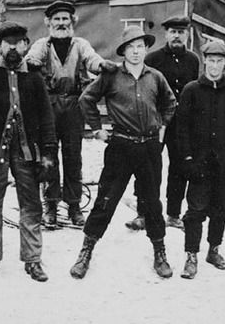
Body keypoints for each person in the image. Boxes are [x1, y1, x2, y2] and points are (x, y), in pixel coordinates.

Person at [70, 26, 177, 279]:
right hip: (121, 146)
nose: (136, 51)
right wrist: (97, 129)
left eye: (140, 46)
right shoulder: (111, 76)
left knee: (152, 202)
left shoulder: (156, 77)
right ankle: (86, 251)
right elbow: (86, 100)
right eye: (131, 47)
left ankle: (160, 253)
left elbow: (170, 103)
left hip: (150, 147)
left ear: (146, 49)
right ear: (124, 51)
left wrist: (161, 126)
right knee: (106, 200)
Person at [0, 21, 58, 281]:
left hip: (27, 152)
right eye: (8, 43)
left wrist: (49, 153)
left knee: (31, 205)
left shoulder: (34, 78)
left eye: (19, 42)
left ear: (26, 45)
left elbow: (47, 118)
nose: (14, 47)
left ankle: (33, 260)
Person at [26, 0, 117, 228]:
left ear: (72, 21)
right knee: (49, 156)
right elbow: (31, 59)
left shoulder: (80, 44)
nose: (61, 23)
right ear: (48, 23)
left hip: (74, 104)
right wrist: (31, 64)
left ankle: (74, 205)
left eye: (65, 19)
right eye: (56, 19)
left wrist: (102, 66)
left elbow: (92, 59)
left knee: (73, 156)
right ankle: (51, 205)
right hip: (48, 105)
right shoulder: (42, 45)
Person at [177, 40, 225, 279]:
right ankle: (191, 255)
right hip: (198, 164)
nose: (215, 65)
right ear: (204, 60)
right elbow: (182, 128)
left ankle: (214, 250)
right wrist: (187, 159)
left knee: (220, 209)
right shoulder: (192, 90)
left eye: (220, 61)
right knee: (195, 210)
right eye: (212, 60)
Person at [125, 15, 200, 231]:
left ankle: (174, 215)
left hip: (182, 124)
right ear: (166, 34)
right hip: (155, 122)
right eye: (173, 32)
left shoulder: (193, 60)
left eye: (181, 32)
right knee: (148, 166)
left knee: (179, 168)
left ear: (187, 34)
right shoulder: (154, 58)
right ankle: (143, 213)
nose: (177, 36)